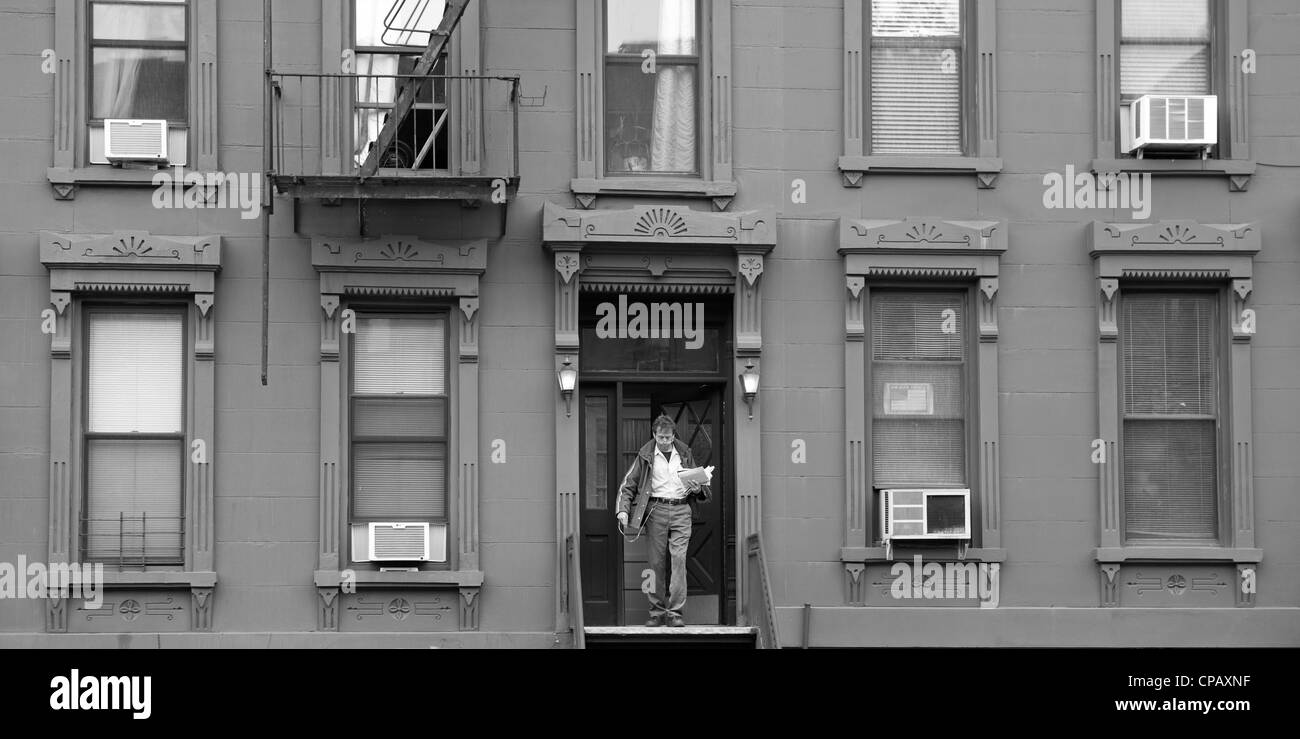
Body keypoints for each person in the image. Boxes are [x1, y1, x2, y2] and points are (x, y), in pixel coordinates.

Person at [615, 414, 711, 627]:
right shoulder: (646, 453)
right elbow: (629, 484)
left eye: (668, 437)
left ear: (673, 435)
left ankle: (675, 612)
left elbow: (701, 484)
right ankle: (656, 612)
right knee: (655, 564)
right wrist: (623, 510)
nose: (665, 442)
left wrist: (698, 488)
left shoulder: (684, 452)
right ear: (654, 434)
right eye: (661, 437)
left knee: (679, 560)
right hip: (655, 510)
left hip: (681, 509)